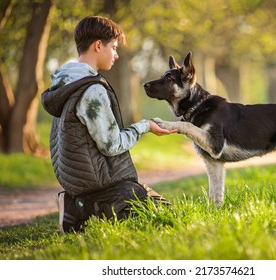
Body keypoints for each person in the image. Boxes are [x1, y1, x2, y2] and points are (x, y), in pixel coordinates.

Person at [41, 16, 176, 233]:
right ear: (97, 45)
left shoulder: (65, 83)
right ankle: (82, 208)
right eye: (113, 47)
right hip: (102, 185)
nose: (116, 54)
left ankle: (76, 205)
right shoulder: (91, 90)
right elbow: (111, 145)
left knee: (150, 201)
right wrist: (146, 126)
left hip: (82, 182)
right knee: (168, 215)